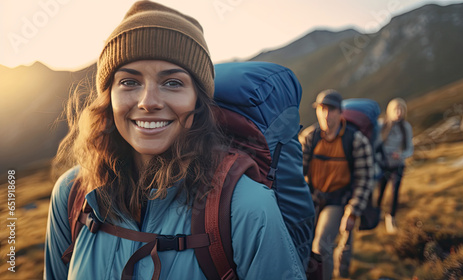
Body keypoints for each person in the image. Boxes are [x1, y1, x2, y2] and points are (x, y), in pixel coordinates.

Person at [44, 1, 306, 279]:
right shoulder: (72, 195)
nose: (148, 102)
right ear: (108, 98)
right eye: (129, 82)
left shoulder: (245, 206)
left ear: (198, 101)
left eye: (173, 83)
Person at [300, 89, 374, 279]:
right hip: (313, 198)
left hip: (339, 200)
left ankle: (338, 273)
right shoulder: (310, 137)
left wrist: (353, 211)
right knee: (304, 244)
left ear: (341, 112)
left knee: (322, 245)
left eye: (331, 110)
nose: (325, 115)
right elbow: (297, 171)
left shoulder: (355, 140)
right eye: (321, 109)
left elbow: (364, 178)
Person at [376, 98, 413, 234]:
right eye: (395, 109)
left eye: (401, 109)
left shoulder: (406, 127)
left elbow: (410, 148)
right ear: (389, 111)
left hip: (398, 165)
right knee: (380, 191)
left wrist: (401, 155)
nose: (398, 112)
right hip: (383, 165)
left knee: (395, 192)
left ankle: (390, 219)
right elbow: (376, 143)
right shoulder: (381, 125)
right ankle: (375, 215)